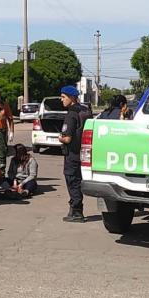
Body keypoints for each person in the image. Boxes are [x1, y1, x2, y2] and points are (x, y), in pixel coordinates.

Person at [58, 86, 92, 222]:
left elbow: (67, 138)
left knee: (72, 181)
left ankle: (76, 211)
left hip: (72, 154)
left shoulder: (71, 114)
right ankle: (76, 210)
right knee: (78, 180)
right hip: (84, 153)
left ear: (71, 98)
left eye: (63, 97)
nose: (61, 100)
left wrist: (60, 137)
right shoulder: (86, 111)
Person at [0, 89, 14, 173]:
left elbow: (10, 119)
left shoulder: (5, 105)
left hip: (1, 131)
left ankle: (1, 172)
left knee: (1, 151)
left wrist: (11, 132)